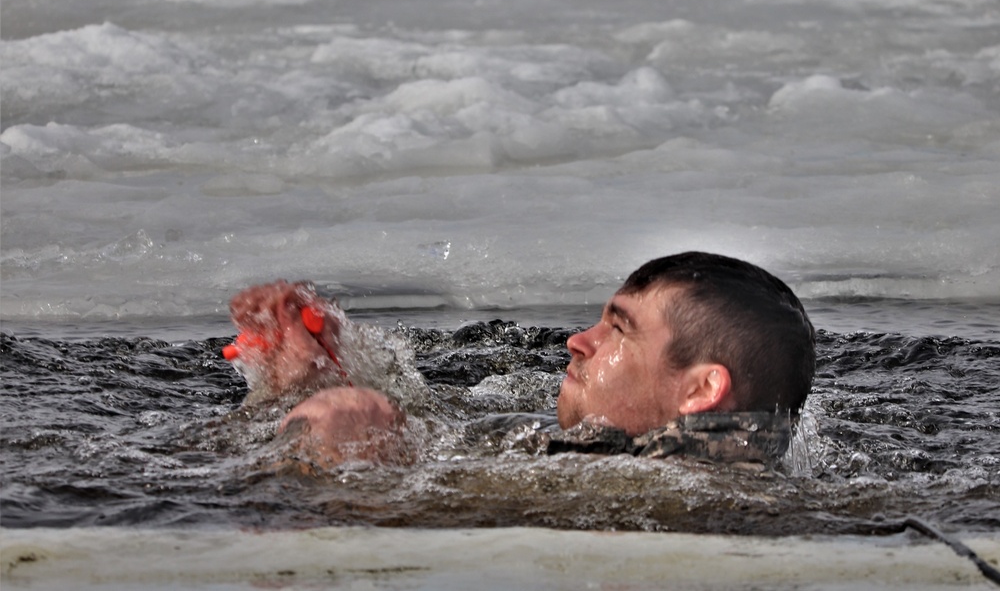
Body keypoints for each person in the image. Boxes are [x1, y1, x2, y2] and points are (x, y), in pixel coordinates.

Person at [223, 252, 815, 465]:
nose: (578, 342)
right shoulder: (620, 460)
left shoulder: (704, 511)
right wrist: (310, 377)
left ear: (700, 391)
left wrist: (342, 457)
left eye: (620, 328)